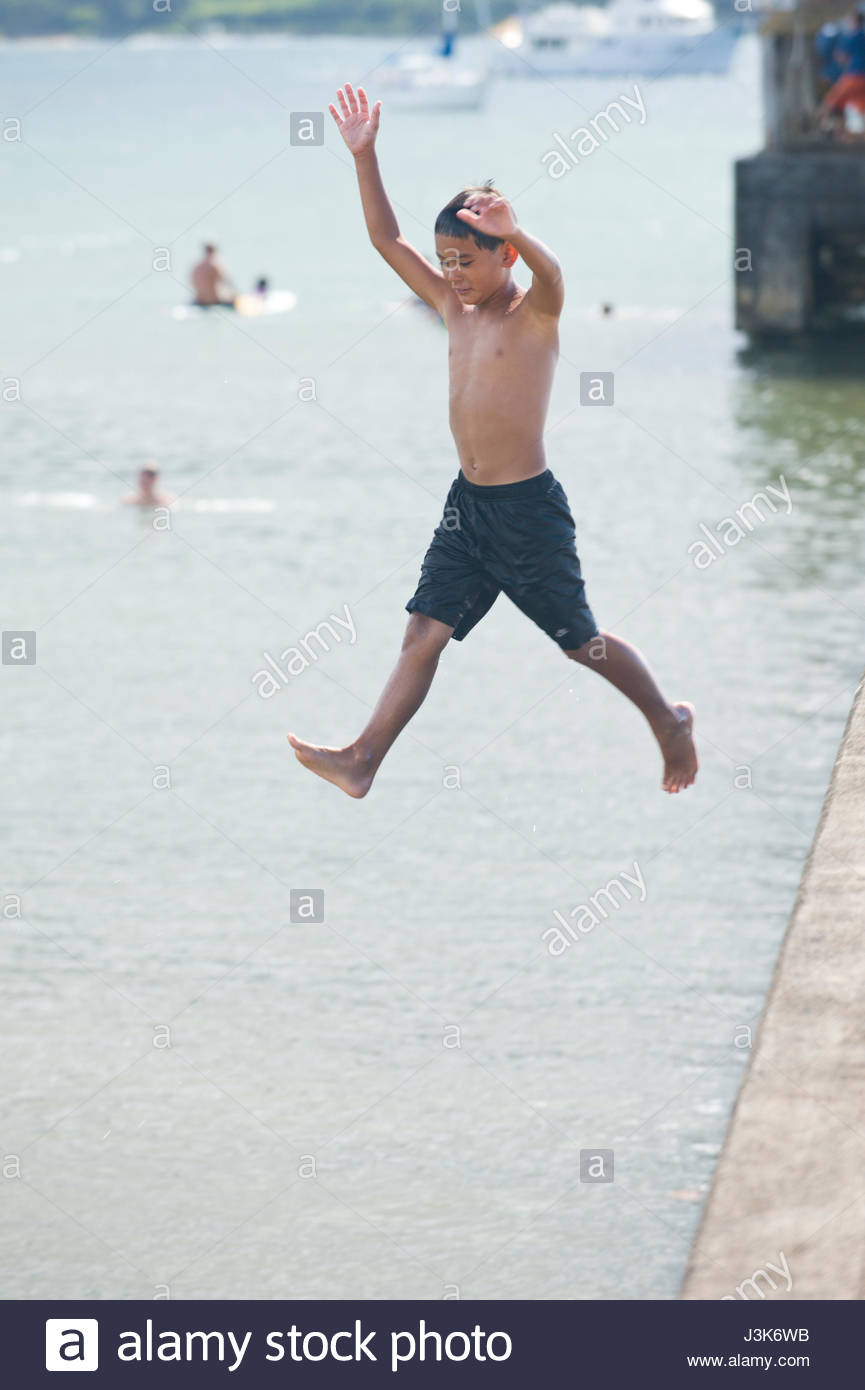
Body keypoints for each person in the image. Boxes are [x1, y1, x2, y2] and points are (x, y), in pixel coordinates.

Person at [287, 83, 698, 798]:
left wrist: (519, 229)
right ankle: (361, 761)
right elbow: (386, 240)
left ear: (502, 255)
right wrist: (364, 156)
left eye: (467, 261)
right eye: (446, 259)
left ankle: (666, 721)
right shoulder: (453, 307)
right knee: (422, 632)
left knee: (581, 643)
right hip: (466, 507)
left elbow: (554, 274)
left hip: (525, 509)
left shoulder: (531, 314)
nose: (452, 273)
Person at [819, 12, 865, 133]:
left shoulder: (852, 36)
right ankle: (845, 134)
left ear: (854, 21)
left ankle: (824, 125)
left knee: (831, 100)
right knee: (860, 104)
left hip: (854, 75)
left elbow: (841, 56)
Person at [190, 243, 236, 307]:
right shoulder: (215, 265)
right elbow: (227, 283)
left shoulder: (197, 266)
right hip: (213, 301)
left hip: (199, 300)